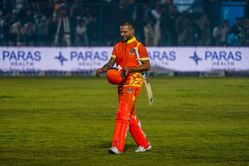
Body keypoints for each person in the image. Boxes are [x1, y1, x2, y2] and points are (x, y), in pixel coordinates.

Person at [96, 20, 152, 154]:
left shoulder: (139, 46)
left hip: (134, 81)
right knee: (129, 115)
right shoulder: (118, 46)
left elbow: (147, 66)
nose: (122, 34)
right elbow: (110, 63)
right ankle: (144, 144)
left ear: (132, 31)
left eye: (125, 32)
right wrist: (102, 69)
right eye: (121, 31)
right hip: (121, 82)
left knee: (122, 112)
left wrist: (131, 69)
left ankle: (117, 146)